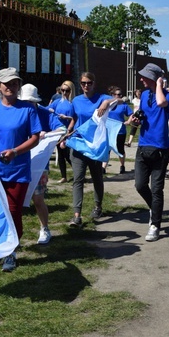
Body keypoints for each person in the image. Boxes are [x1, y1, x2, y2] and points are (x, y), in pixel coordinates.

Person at [0, 68, 41, 271]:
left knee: (13, 213)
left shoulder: (28, 109)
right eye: (6, 84)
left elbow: (35, 138)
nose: (10, 87)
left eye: (14, 83)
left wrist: (15, 151)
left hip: (17, 170)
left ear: (18, 85)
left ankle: (10, 252)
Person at [65, 71, 113, 227]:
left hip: (94, 145)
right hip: (78, 143)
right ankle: (76, 215)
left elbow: (119, 100)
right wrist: (68, 132)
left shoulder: (101, 98)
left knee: (96, 177)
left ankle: (98, 206)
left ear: (94, 83)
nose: (86, 86)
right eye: (83, 83)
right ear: (80, 84)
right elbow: (74, 118)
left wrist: (106, 104)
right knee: (78, 179)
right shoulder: (77, 101)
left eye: (89, 83)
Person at [131, 64, 169, 242]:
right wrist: (136, 120)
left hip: (160, 148)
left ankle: (155, 224)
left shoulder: (168, 96)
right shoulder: (145, 95)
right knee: (140, 185)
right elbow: (143, 116)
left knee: (157, 189)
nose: (141, 79)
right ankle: (154, 209)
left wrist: (159, 85)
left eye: (144, 76)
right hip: (143, 146)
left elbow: (162, 103)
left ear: (155, 79)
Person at [19, 83, 64, 245]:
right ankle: (13, 233)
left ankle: (44, 228)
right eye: (25, 101)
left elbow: (61, 129)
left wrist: (46, 135)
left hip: (38, 164)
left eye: (30, 101)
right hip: (18, 161)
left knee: (38, 198)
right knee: (16, 200)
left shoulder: (45, 113)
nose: (27, 104)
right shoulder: (17, 112)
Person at [48, 80, 75, 183]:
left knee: (68, 154)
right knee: (60, 154)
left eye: (66, 90)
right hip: (58, 130)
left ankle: (78, 172)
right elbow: (48, 109)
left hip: (69, 131)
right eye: (62, 90)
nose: (64, 92)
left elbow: (76, 117)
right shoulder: (58, 101)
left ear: (71, 90)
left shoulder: (73, 102)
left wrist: (67, 117)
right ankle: (64, 176)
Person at [106, 85, 133, 173]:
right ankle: (103, 167)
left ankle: (122, 166)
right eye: (118, 94)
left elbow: (131, 114)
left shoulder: (123, 105)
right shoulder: (108, 104)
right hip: (109, 131)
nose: (120, 96)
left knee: (120, 149)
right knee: (107, 149)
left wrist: (128, 121)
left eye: (121, 95)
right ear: (113, 95)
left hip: (120, 131)